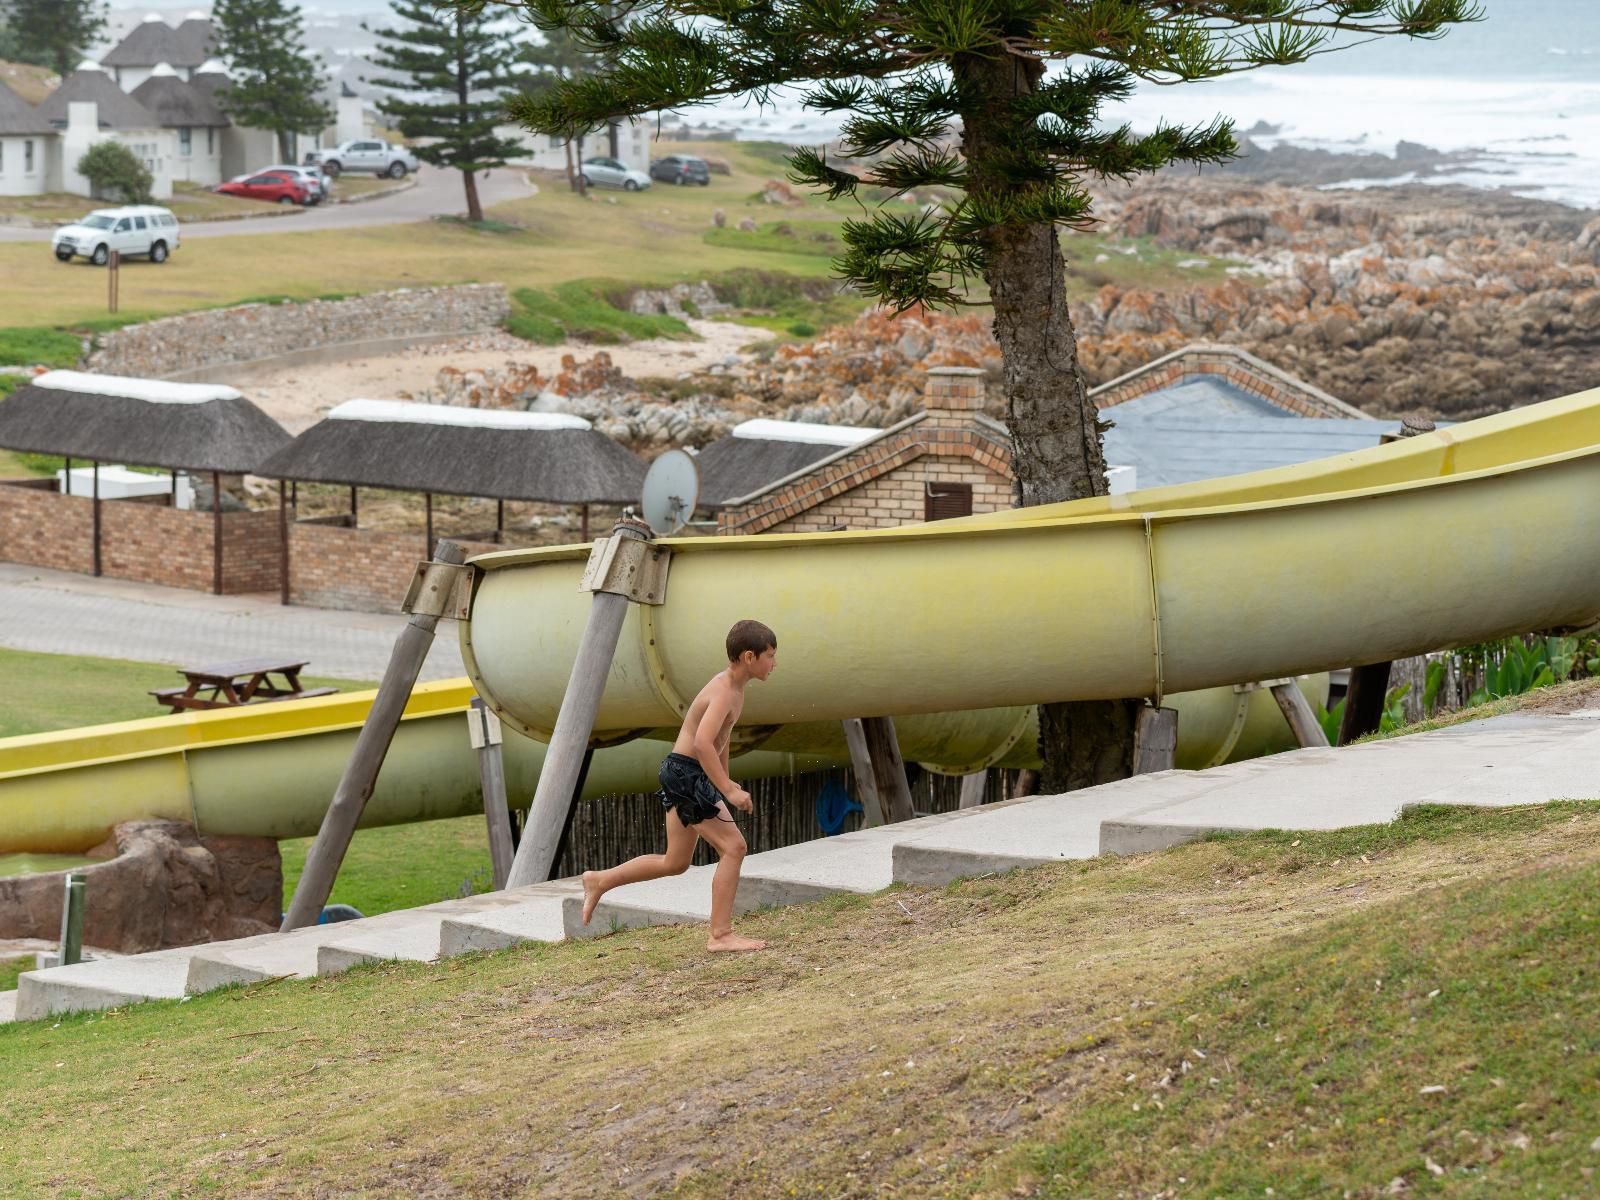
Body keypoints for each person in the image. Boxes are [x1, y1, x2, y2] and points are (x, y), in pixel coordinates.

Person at [577, 619, 778, 952]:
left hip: (684, 773)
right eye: (770, 655)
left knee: (675, 862)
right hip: (686, 774)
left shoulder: (736, 689)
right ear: (748, 656)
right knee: (734, 848)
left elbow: (719, 741)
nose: (774, 663)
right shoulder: (724, 691)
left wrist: (724, 779)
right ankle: (720, 935)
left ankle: (600, 880)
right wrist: (727, 789)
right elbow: (701, 743)